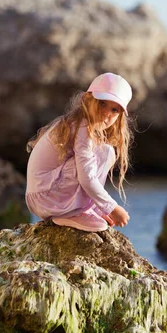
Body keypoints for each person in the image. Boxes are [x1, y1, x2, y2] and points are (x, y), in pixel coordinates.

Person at [25, 72, 133, 232]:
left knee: (106, 151)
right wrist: (112, 207)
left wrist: (99, 208)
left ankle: (85, 209)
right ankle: (70, 213)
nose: (107, 113)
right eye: (102, 104)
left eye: (115, 110)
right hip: (45, 198)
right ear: (87, 100)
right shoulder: (82, 128)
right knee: (95, 157)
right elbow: (86, 177)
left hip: (45, 196)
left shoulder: (81, 125)